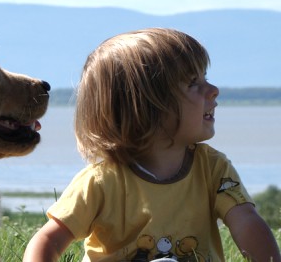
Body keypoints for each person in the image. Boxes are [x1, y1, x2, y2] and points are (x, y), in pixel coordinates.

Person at [23, 28, 281, 261]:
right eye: (193, 83)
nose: (213, 89)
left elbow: (246, 222)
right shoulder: (102, 181)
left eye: (205, 77)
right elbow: (48, 239)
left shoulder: (213, 168)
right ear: (145, 108)